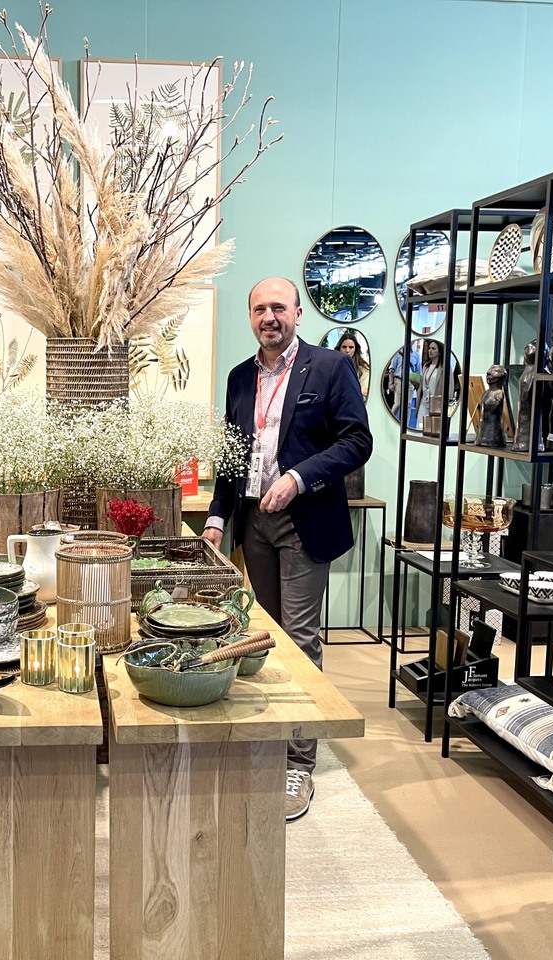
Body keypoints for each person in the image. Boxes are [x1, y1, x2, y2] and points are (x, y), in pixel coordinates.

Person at [202, 277, 373, 823]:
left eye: (279, 307)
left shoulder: (330, 367)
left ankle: (298, 762)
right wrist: (216, 517)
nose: (269, 317)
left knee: (299, 639)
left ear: (298, 313)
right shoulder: (239, 376)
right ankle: (269, 739)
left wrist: (299, 478)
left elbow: (357, 441)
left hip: (305, 520)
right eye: (259, 309)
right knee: (264, 636)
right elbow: (231, 455)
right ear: (250, 317)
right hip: (253, 522)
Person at [335, 331, 371, 400]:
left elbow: (366, 391)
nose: (347, 350)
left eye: (351, 347)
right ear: (339, 348)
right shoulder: (333, 366)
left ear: (355, 349)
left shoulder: (363, 368)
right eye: (344, 347)